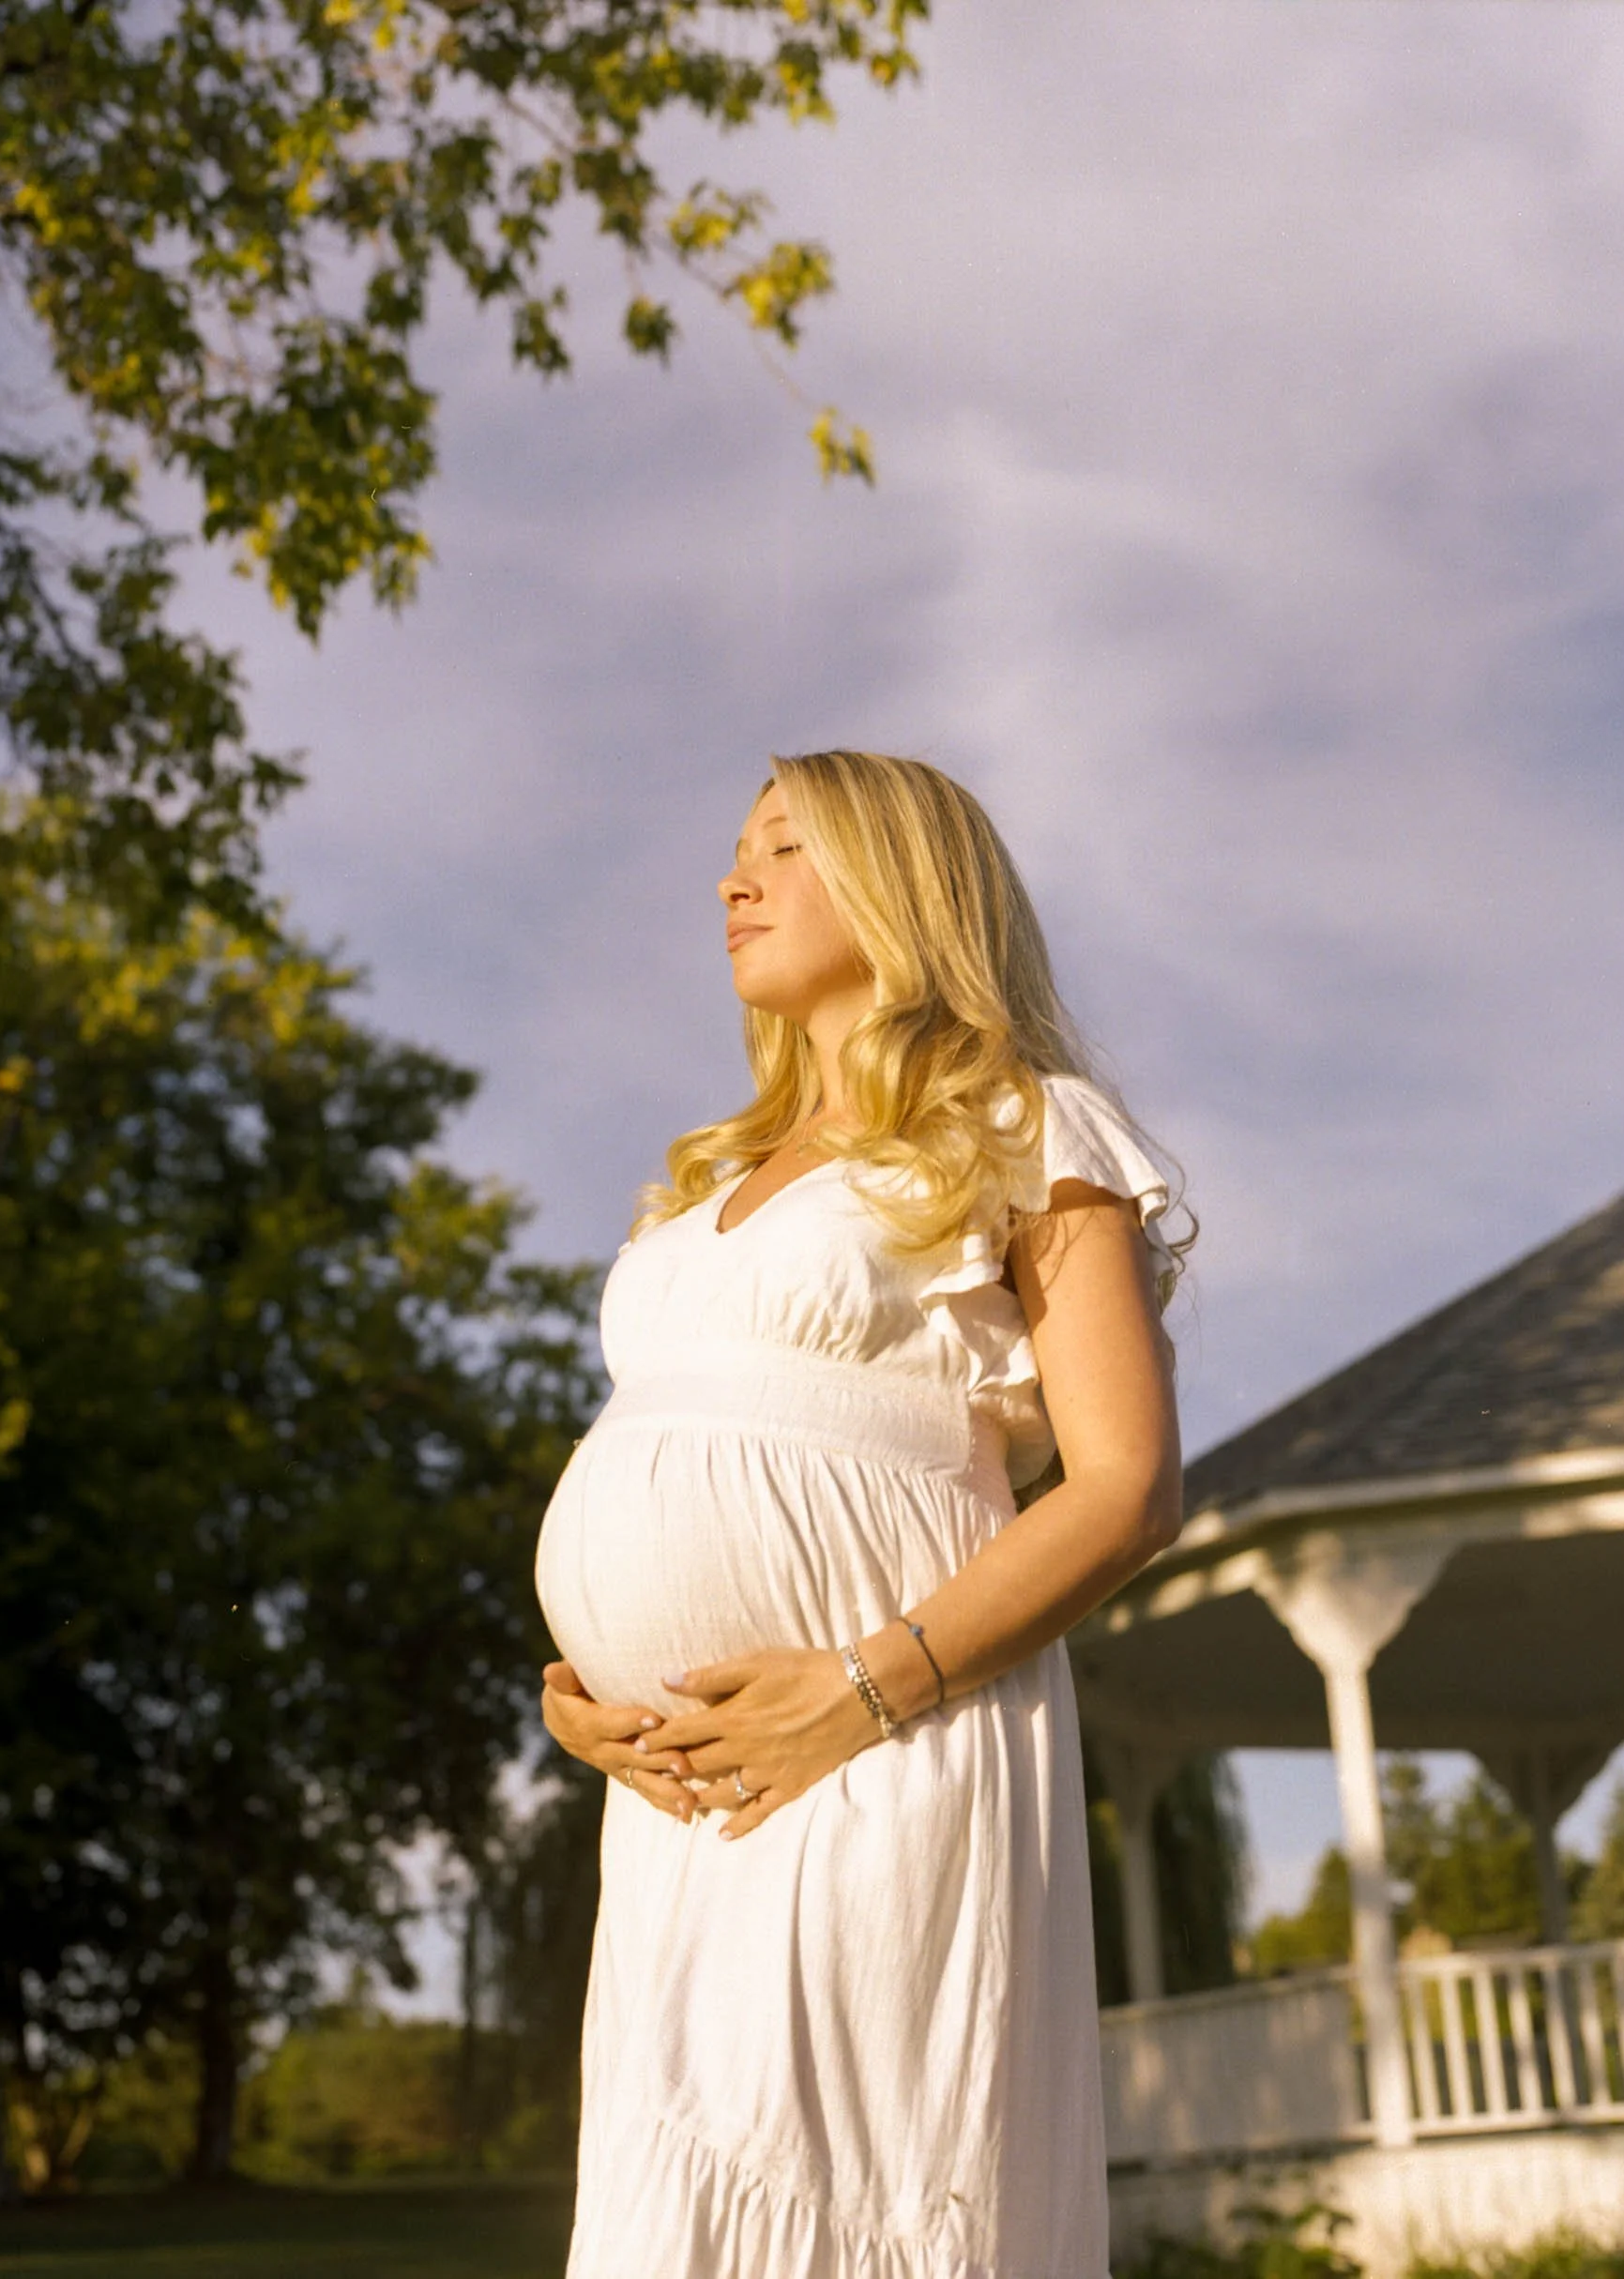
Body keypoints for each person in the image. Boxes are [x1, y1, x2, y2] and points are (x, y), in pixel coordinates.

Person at [536, 750, 1188, 2279]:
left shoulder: (1029, 1127)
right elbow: (669, 1452)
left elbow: (1127, 1487)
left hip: (890, 1741)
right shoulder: (707, 1182)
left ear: (902, 884)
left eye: (783, 845)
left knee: (857, 2195)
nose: (732, 879)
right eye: (734, 850)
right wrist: (591, 1701)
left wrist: (854, 1690)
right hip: (687, 1797)